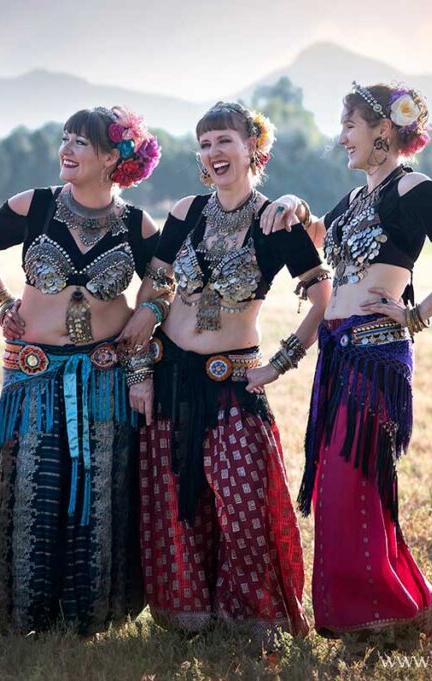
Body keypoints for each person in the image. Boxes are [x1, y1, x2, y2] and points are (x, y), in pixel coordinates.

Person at [265, 82, 432, 640]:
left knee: (351, 480)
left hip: (374, 352)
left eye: (349, 126)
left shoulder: (412, 186)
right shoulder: (355, 198)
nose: (341, 137)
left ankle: (382, 612)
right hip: (336, 353)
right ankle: (397, 606)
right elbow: (315, 240)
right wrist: (292, 204)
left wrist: (417, 314)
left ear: (383, 130)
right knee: (345, 485)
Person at [0, 106, 163, 635]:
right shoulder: (35, 205)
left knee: (98, 490)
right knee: (33, 481)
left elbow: (161, 280)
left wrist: (149, 310)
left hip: (103, 373)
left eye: (81, 142)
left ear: (111, 158)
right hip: (34, 372)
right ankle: (25, 615)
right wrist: (2, 302)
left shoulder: (137, 223)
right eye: (66, 138)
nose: (67, 149)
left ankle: (86, 616)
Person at [138, 102, 330, 640]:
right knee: (177, 502)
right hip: (171, 372)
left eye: (224, 140)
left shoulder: (278, 220)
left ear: (252, 148)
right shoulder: (185, 212)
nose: (213, 153)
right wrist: (138, 368)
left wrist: (280, 363)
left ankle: (249, 616)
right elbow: (154, 288)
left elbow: (322, 297)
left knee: (242, 501)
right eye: (204, 144)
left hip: (234, 381)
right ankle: (188, 614)